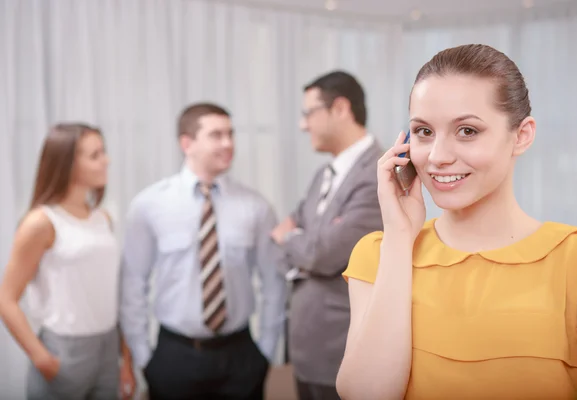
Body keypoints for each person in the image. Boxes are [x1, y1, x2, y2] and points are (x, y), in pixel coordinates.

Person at [337, 44, 577, 399]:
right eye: (424, 132)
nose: (438, 157)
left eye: (467, 131)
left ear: (521, 135)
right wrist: (399, 238)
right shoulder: (377, 254)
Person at [120, 103, 288, 400]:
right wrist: (145, 358)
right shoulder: (149, 205)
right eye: (216, 135)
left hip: (241, 356)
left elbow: (273, 283)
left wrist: (266, 351)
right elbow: (134, 283)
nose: (228, 143)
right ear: (187, 143)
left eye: (231, 134)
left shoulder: (256, 206)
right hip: (174, 357)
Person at [0, 123, 136, 400]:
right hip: (64, 351)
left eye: (104, 152)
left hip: (108, 347)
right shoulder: (41, 223)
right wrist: (42, 359)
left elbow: (113, 293)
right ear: (68, 164)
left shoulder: (103, 219)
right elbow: (6, 298)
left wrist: (126, 361)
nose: (106, 160)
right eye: (95, 155)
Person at [271, 71, 383, 400]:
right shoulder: (324, 173)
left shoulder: (379, 173)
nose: (303, 125)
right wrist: (300, 243)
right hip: (309, 351)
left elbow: (322, 254)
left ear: (340, 109)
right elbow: (294, 233)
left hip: (343, 350)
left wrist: (291, 240)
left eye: (309, 113)